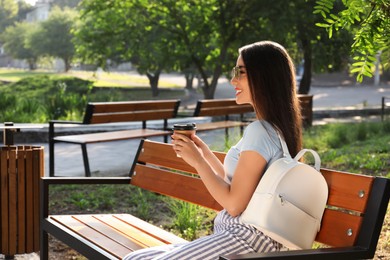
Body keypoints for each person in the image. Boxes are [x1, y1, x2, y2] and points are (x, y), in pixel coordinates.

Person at [123, 40, 302, 260]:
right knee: (135, 258)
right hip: (242, 237)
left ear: (264, 77)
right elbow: (236, 186)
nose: (233, 79)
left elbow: (234, 205)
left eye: (241, 72)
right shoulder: (273, 128)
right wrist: (204, 153)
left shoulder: (261, 131)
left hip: (245, 241)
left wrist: (198, 162)